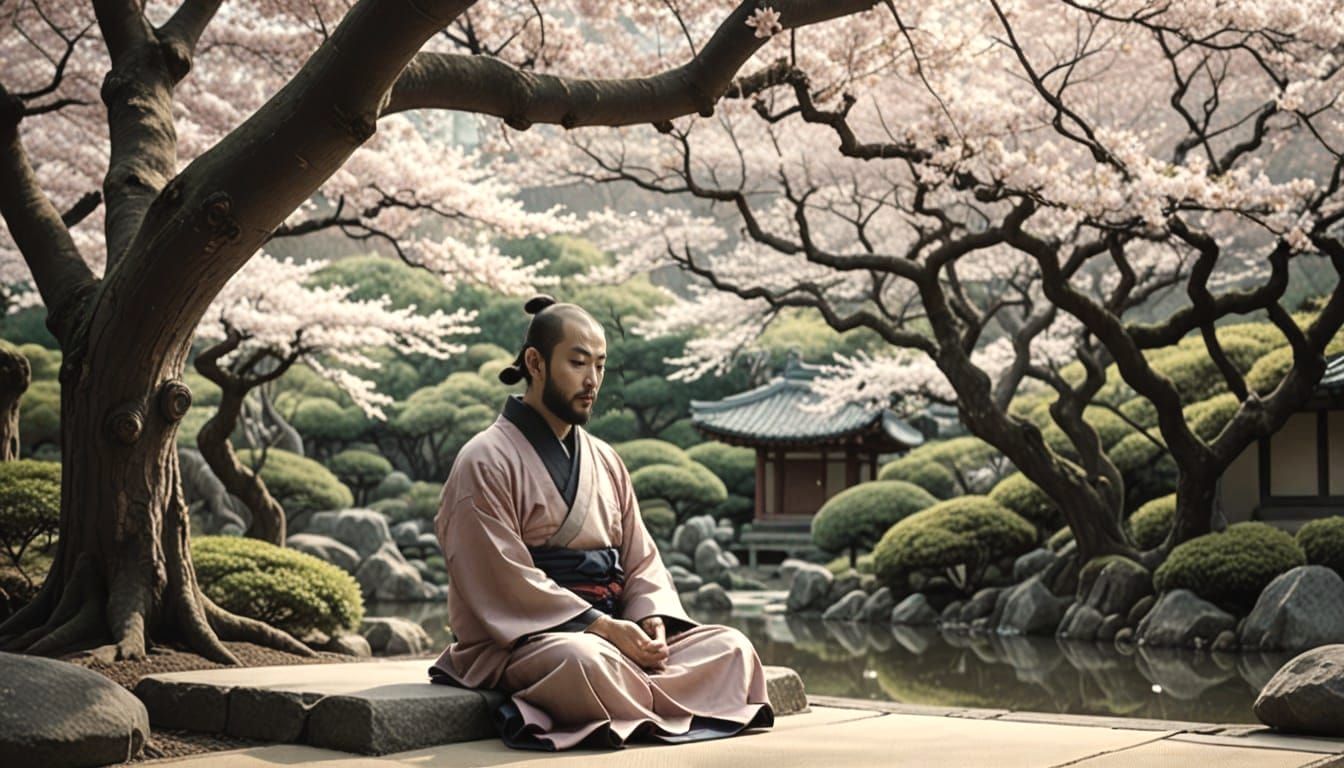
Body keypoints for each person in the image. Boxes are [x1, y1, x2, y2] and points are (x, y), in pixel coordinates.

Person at [426, 295, 774, 750]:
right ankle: (660, 701)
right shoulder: (484, 460)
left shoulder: (606, 460)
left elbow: (641, 558)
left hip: (615, 632)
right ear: (536, 362)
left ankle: (637, 703)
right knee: (584, 662)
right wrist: (602, 628)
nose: (592, 382)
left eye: (601, 366)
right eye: (577, 363)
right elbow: (498, 577)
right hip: (531, 640)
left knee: (732, 648)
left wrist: (649, 621)